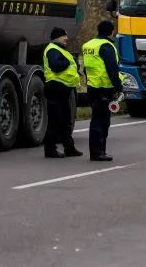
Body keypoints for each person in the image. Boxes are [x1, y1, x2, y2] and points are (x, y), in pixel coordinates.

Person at [82, 19, 124, 162]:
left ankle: (97, 151)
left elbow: (86, 68)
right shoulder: (106, 46)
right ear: (111, 31)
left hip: (92, 87)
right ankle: (98, 152)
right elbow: (112, 69)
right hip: (104, 89)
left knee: (95, 120)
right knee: (102, 122)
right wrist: (119, 87)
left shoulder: (88, 45)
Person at [42, 27, 82, 158]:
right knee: (55, 121)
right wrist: (70, 62)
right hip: (56, 88)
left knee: (65, 121)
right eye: (64, 36)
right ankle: (50, 150)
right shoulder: (53, 49)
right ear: (58, 37)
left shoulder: (60, 50)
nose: (66, 38)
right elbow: (56, 66)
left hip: (63, 89)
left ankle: (69, 148)